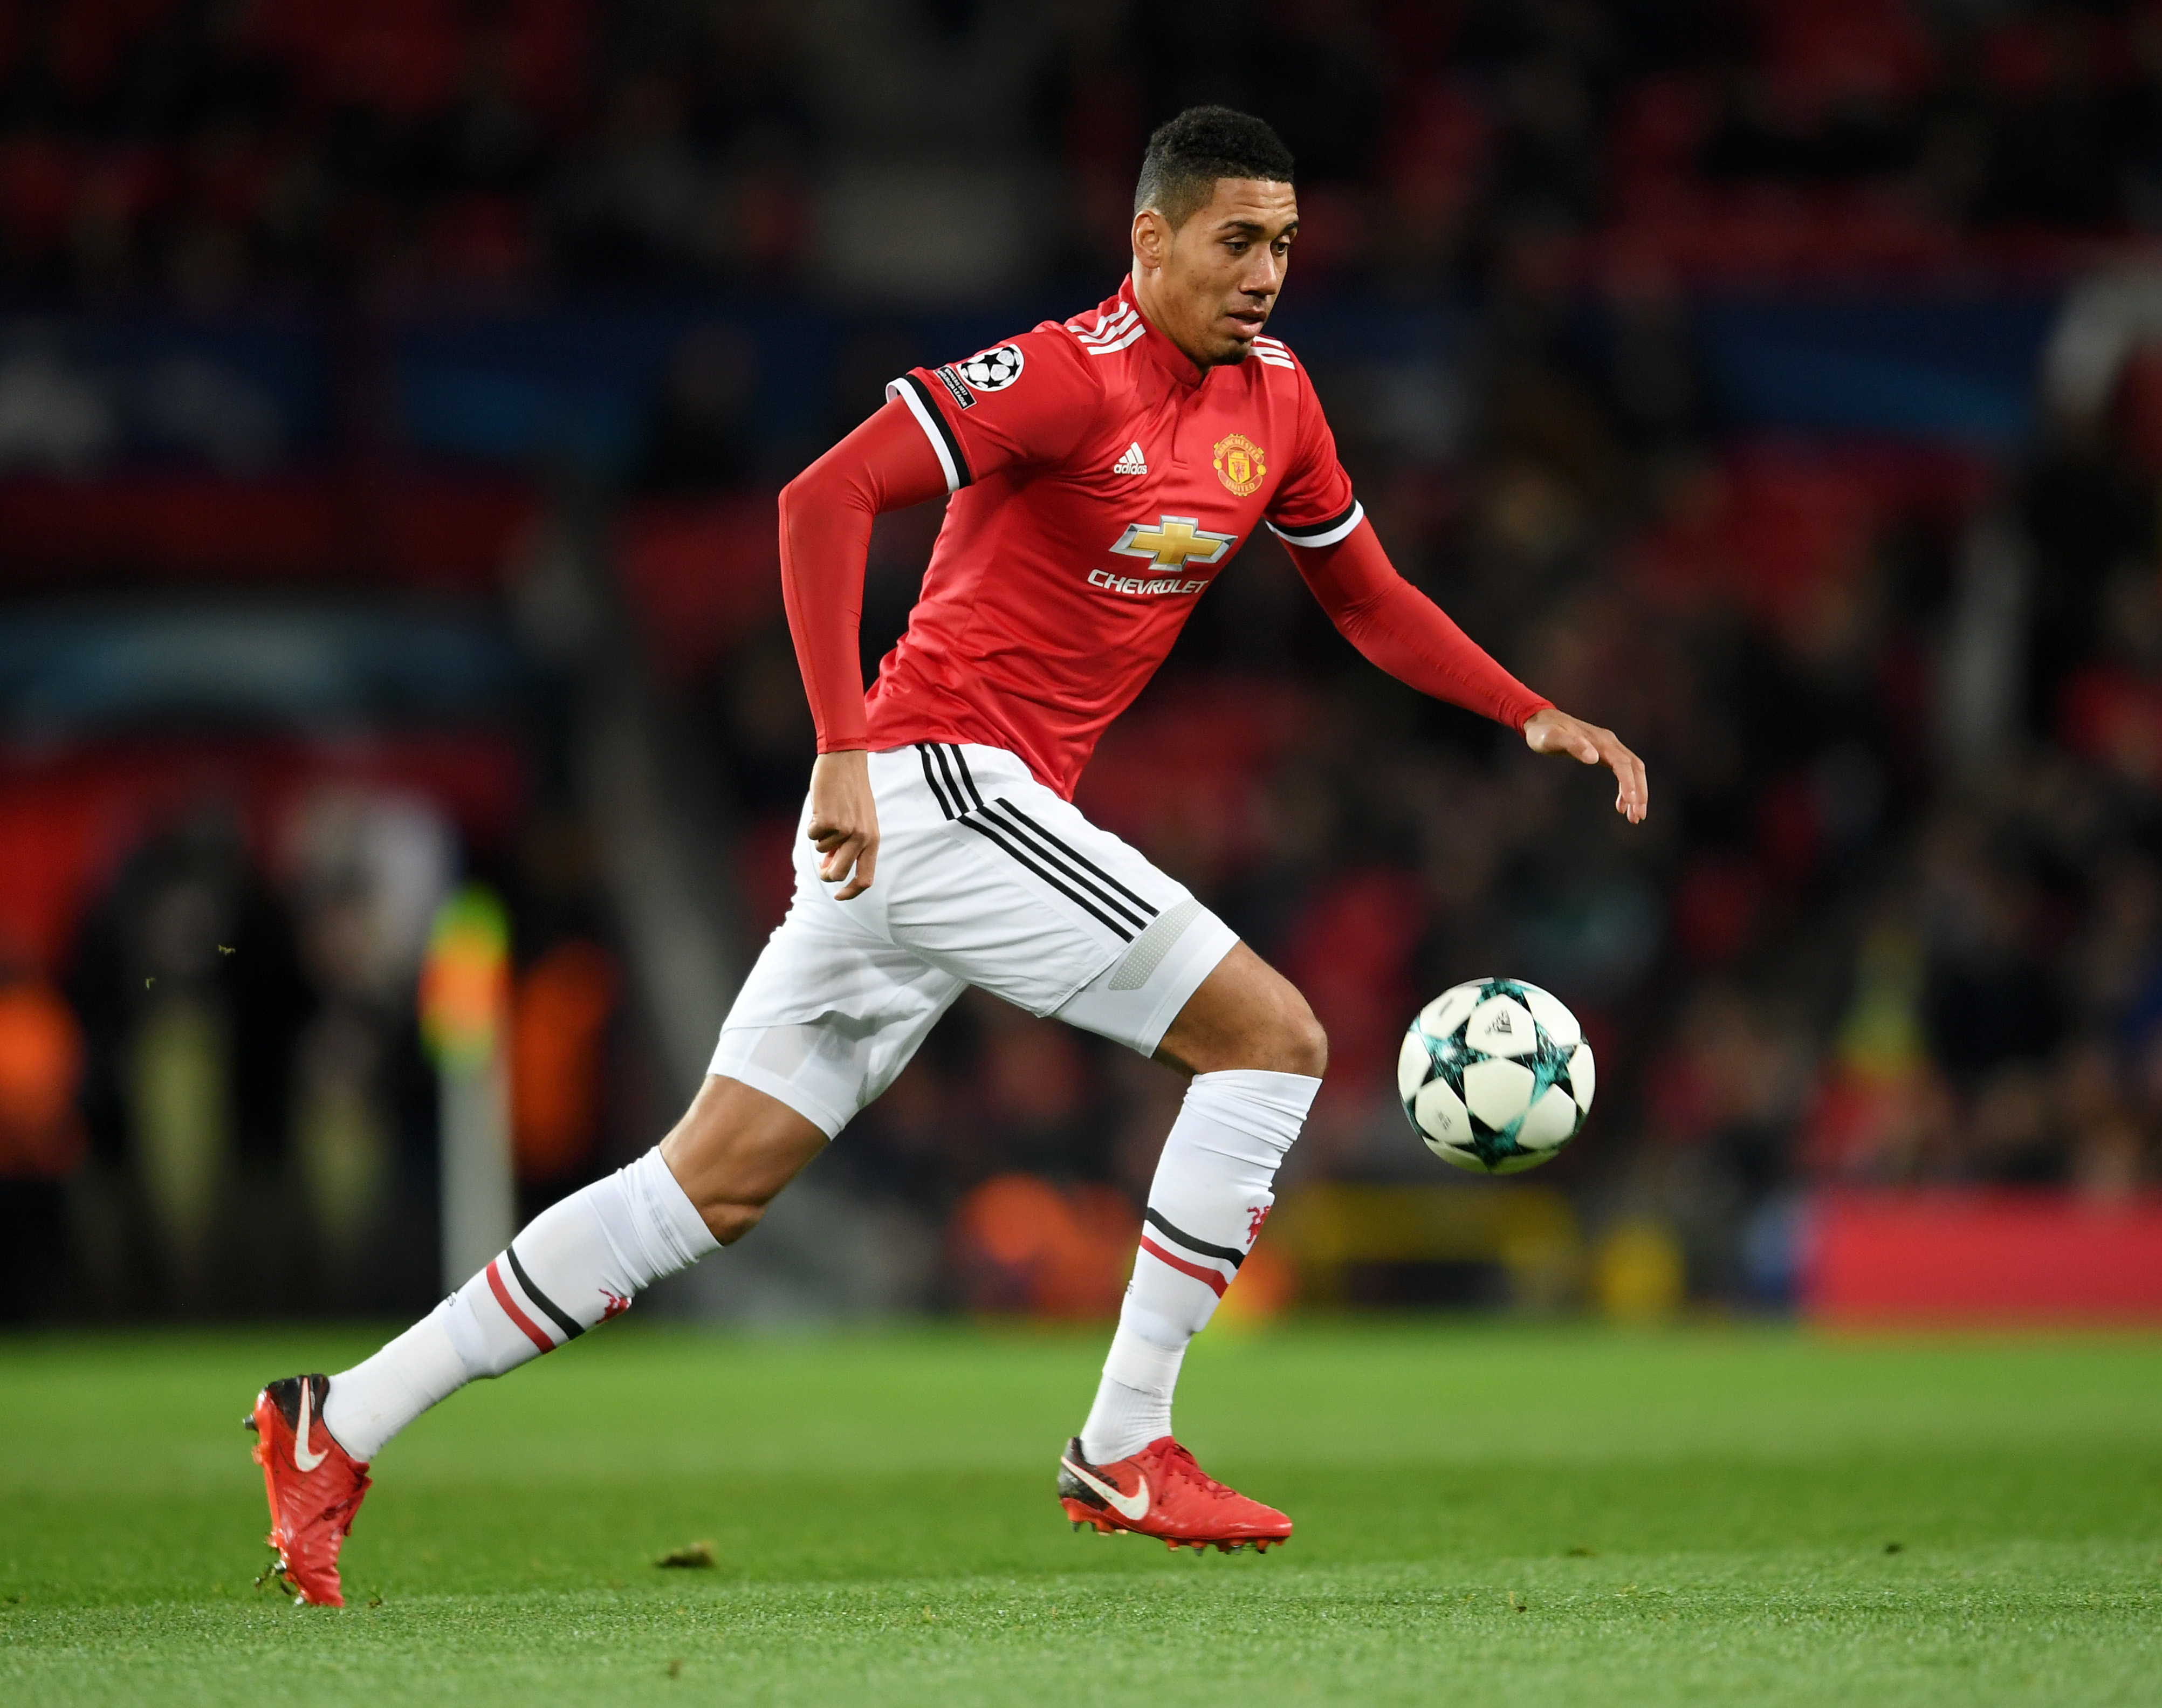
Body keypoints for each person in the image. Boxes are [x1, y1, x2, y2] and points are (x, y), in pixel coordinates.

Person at [246, 106, 1649, 1606]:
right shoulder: (1059, 375)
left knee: (708, 1185)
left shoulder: (1281, 404)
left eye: (1286, 246)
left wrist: (1528, 711)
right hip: (933, 788)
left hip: (948, 822)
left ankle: (339, 1421)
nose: (1264, 275)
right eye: (1236, 241)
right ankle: (1126, 1441)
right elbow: (818, 498)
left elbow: (1364, 597)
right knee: (1274, 1038)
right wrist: (842, 742)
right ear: (1149, 238)